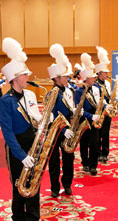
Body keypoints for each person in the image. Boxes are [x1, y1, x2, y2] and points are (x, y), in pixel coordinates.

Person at [0, 37, 42, 221]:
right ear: (15, 78)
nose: (28, 78)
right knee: (18, 184)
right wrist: (22, 155)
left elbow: (36, 118)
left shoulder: (30, 95)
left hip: (33, 142)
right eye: (25, 75)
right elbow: (7, 133)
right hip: (16, 148)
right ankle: (19, 220)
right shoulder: (5, 101)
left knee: (35, 181)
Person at [47, 43, 75, 198]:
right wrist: (64, 129)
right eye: (65, 76)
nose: (67, 78)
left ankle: (67, 184)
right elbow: (52, 116)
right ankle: (55, 187)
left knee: (69, 159)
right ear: (57, 78)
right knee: (54, 162)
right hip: (55, 130)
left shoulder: (69, 91)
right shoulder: (53, 93)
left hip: (68, 129)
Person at [75, 53, 102, 175]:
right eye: (92, 78)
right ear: (86, 79)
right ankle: (85, 163)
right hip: (84, 119)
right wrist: (90, 116)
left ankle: (93, 165)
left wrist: (106, 106)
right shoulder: (78, 91)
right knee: (84, 142)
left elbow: (99, 102)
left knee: (95, 143)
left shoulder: (96, 88)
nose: (95, 79)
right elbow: (78, 109)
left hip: (94, 118)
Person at [94, 46, 112, 163]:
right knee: (98, 133)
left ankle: (105, 152)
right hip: (99, 111)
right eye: (106, 72)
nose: (107, 74)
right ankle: (98, 153)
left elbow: (109, 95)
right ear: (100, 73)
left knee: (106, 133)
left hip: (107, 111)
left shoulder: (107, 83)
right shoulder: (95, 84)